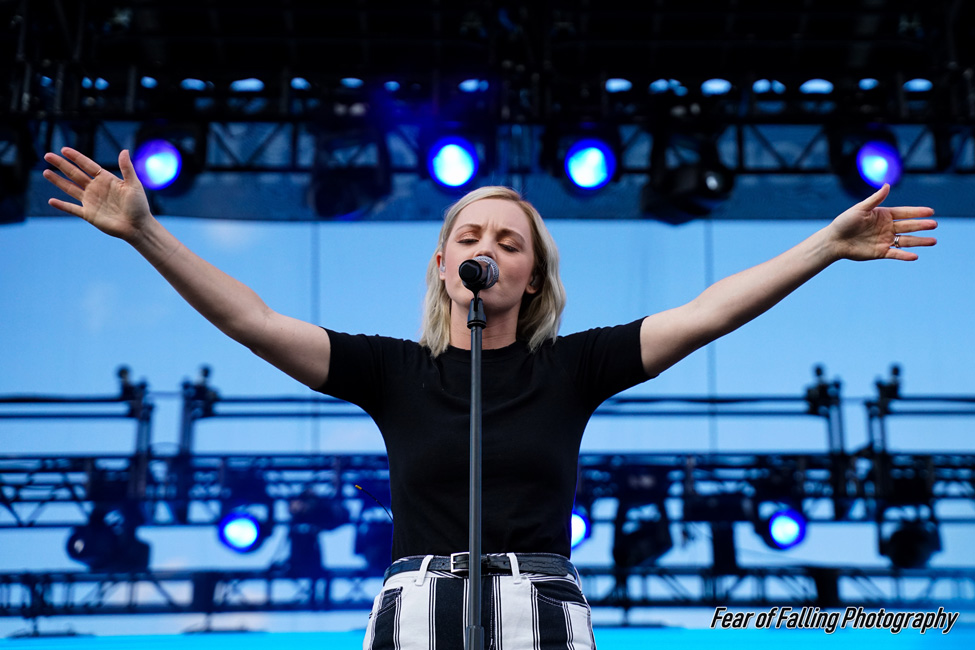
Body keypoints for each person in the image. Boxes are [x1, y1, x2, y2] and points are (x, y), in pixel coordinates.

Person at [43, 147, 937, 649]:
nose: (488, 248)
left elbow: (705, 313)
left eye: (509, 240)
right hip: (416, 607)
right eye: (469, 236)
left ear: (534, 271)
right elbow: (255, 320)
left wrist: (823, 245)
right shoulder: (394, 372)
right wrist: (147, 235)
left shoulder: (573, 367)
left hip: (539, 608)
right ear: (442, 265)